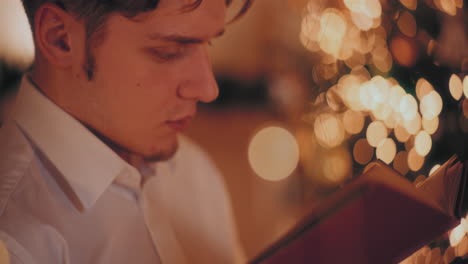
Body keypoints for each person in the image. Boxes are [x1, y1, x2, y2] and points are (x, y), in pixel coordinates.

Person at [0, 0, 253, 263]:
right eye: (169, 51)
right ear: (59, 38)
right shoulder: (15, 239)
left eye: (208, 42)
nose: (208, 89)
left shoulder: (194, 170)